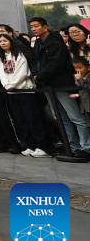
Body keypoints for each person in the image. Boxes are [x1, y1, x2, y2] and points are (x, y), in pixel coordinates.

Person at [30, 16, 90, 157]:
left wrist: (40, 76)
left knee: (75, 117)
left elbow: (56, 63)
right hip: (46, 86)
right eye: (32, 27)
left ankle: (86, 147)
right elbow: (35, 61)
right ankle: (72, 146)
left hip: (62, 85)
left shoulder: (56, 40)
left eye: (36, 26)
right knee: (61, 118)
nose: (34, 29)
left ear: (45, 26)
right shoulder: (38, 42)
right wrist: (35, 75)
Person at [0, 33, 49, 157]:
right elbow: (1, 73)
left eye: (5, 40)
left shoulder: (19, 54)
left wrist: (13, 84)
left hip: (25, 91)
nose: (3, 43)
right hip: (10, 92)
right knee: (20, 120)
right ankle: (30, 145)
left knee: (33, 119)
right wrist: (7, 85)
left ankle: (42, 146)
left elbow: (23, 72)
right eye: (0, 41)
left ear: (11, 41)